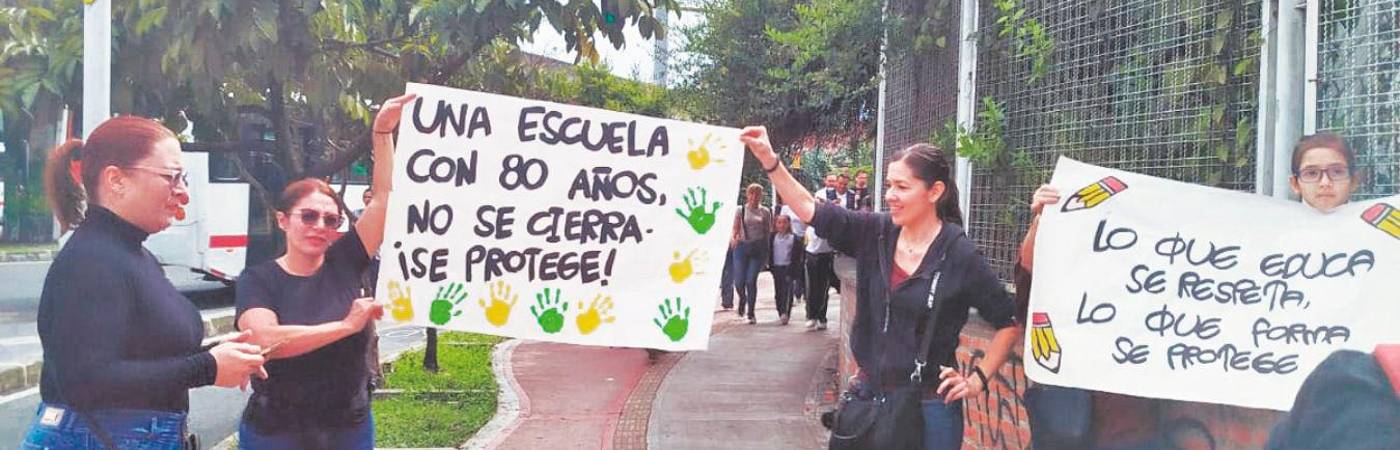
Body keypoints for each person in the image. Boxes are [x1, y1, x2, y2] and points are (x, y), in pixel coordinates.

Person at [1013, 132, 1362, 449]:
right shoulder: (1263, 241)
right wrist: (1046, 221)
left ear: (1354, 179)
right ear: (1296, 182)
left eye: (1336, 171)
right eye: (1313, 173)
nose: (1325, 183)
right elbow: (1032, 278)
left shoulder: (1374, 250)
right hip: (1092, 426)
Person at [741, 127, 1020, 450]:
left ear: (934, 191)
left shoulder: (960, 254)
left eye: (902, 187)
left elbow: (1007, 323)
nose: (889, 195)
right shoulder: (875, 232)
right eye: (889, 185)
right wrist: (770, 161)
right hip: (869, 399)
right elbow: (810, 209)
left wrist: (977, 380)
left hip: (929, 410)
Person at [24, 116, 268, 449]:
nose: (183, 193)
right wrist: (207, 368)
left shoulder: (132, 255)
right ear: (116, 180)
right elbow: (85, 380)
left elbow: (140, 355)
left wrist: (220, 354)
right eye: (171, 178)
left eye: (184, 178)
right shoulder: (91, 261)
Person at [234, 93, 415, 450]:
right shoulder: (259, 280)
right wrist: (346, 326)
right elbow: (265, 340)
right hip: (276, 432)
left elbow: (384, 199)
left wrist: (381, 134)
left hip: (348, 429)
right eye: (309, 216)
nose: (321, 226)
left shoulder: (346, 260)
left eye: (331, 219)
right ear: (283, 220)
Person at [805, 173, 844, 330]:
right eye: (830, 181)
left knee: (825, 286)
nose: (832, 184)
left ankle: (822, 316)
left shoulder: (843, 198)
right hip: (813, 250)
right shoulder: (819, 195)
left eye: (835, 181)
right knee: (812, 286)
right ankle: (811, 315)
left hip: (828, 251)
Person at [730, 183, 773, 324]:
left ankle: (751, 313)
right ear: (747, 195)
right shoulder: (740, 210)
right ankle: (743, 299)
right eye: (752, 194)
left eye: (757, 194)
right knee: (739, 281)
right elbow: (735, 228)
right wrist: (734, 239)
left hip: (757, 247)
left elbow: (767, 232)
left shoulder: (765, 212)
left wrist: (767, 252)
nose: (754, 197)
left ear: (761, 196)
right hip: (742, 247)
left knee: (751, 280)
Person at [769, 214, 802, 325]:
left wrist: (794, 270)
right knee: (778, 291)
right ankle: (780, 310)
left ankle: (786, 312)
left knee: (787, 291)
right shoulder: (773, 237)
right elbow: (770, 253)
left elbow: (797, 257)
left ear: (789, 224)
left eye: (784, 222)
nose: (782, 225)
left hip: (788, 267)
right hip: (777, 267)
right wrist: (771, 267)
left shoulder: (794, 239)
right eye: (779, 222)